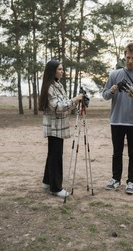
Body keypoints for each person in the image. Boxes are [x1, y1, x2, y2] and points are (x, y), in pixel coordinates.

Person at [102, 43, 133, 195]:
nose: (130, 61)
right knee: (116, 153)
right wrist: (111, 91)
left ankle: (131, 182)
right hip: (116, 120)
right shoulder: (114, 74)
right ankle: (115, 179)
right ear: (124, 56)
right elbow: (104, 95)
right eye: (128, 57)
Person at [38, 60, 84, 198]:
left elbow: (65, 104)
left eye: (62, 69)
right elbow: (58, 107)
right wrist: (75, 99)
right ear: (52, 71)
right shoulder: (49, 87)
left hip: (59, 126)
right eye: (59, 69)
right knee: (56, 156)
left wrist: (76, 102)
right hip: (54, 127)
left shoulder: (58, 85)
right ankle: (56, 188)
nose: (62, 71)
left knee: (52, 154)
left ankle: (47, 182)